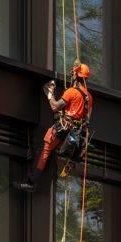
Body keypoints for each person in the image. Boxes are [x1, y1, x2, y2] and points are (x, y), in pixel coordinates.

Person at [14, 62, 93, 191]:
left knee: (44, 150)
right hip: (75, 132)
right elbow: (87, 118)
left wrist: (50, 93)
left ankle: (31, 182)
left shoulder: (72, 92)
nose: (71, 76)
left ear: (76, 75)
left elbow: (55, 106)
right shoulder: (89, 97)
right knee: (56, 153)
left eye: (72, 74)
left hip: (63, 128)